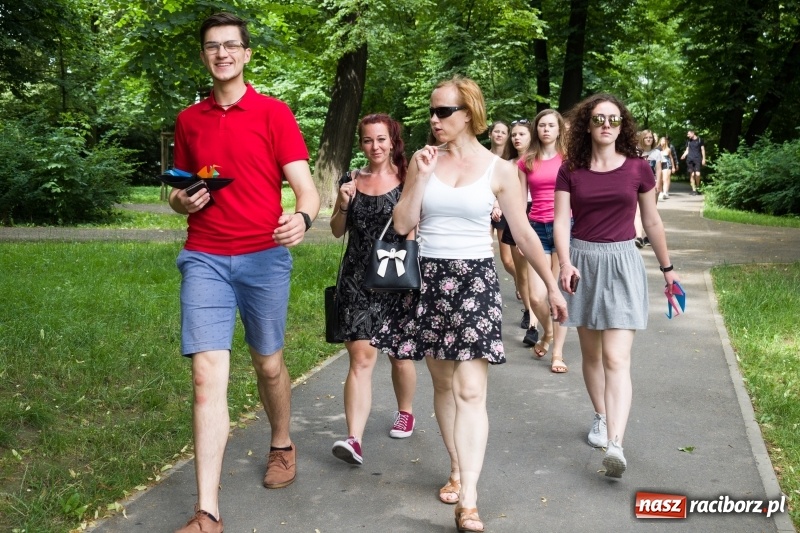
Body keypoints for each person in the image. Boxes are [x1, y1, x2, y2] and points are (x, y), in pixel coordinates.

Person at [373, 76, 568, 533]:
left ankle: (471, 500)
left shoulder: (499, 171)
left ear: (469, 115)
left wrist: (552, 287)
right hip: (429, 281)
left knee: (471, 391)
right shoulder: (423, 163)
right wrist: (417, 179)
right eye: (432, 111)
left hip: (475, 282)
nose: (434, 120)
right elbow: (402, 224)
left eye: (444, 112)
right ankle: (457, 467)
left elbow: (520, 233)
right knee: (442, 385)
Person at [168, 12, 320, 533]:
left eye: (231, 45)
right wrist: (181, 200)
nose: (222, 53)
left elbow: (307, 190)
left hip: (263, 257)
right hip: (205, 256)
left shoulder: (274, 114)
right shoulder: (189, 121)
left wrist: (300, 219)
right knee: (207, 378)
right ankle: (207, 511)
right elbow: (177, 189)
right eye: (212, 46)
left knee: (269, 365)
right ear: (204, 55)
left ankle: (281, 441)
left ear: (246, 54)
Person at [554, 93, 679, 480]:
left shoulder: (639, 169)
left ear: (622, 125)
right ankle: (600, 417)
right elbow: (560, 221)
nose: (605, 125)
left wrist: (668, 270)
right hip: (584, 263)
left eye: (613, 119)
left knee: (616, 359)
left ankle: (615, 443)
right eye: (598, 119)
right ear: (587, 126)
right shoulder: (571, 168)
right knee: (591, 356)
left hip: (624, 263)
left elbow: (652, 222)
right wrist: (565, 263)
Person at [329, 113, 417, 465]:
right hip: (356, 279)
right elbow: (337, 230)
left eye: (381, 139)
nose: (375, 146)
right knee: (361, 359)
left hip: (396, 275)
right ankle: (354, 439)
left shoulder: (410, 179)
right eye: (368, 140)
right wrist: (344, 203)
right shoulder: (350, 180)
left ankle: (405, 411)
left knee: (399, 355)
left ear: (393, 141)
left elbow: (414, 227)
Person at [519, 109, 570, 373]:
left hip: (565, 228)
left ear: (560, 129)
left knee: (558, 295)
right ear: (536, 130)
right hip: (536, 229)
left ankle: (558, 354)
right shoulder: (527, 161)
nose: (546, 129)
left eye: (551, 125)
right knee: (537, 297)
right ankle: (548, 333)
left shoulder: (569, 159)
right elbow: (518, 202)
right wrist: (520, 233)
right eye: (542, 126)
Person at [499, 119, 539, 345]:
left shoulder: (539, 162)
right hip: (514, 215)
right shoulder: (507, 165)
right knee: (521, 272)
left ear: (530, 137)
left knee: (535, 271)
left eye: (521, 134)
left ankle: (536, 319)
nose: (516, 138)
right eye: (513, 135)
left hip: (537, 216)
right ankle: (529, 312)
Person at [486, 121, 516, 291]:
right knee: (486, 251)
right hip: (485, 208)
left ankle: (521, 281)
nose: (499, 135)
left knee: (507, 260)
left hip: (504, 209)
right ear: (490, 134)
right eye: (496, 131)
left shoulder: (511, 160)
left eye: (503, 132)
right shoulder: (483, 157)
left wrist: (500, 205)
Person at [681, 129, 706, 195]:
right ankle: (693, 190)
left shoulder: (700, 140)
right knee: (691, 174)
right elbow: (687, 150)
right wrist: (684, 155)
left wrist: (704, 159)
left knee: (697, 174)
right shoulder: (688, 141)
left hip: (697, 159)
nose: (688, 135)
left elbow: (703, 150)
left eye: (688, 134)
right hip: (689, 159)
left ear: (693, 133)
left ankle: (698, 187)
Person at [657, 136, 675, 200]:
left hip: (667, 164)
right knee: (660, 179)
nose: (663, 142)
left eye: (664, 141)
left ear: (666, 142)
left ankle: (665, 192)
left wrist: (673, 167)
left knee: (665, 179)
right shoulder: (657, 149)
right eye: (662, 141)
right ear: (660, 142)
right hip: (659, 165)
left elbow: (671, 158)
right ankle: (661, 192)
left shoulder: (668, 149)